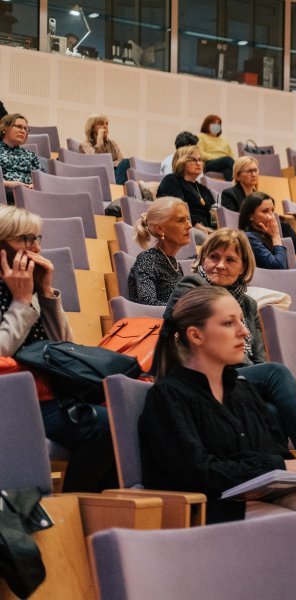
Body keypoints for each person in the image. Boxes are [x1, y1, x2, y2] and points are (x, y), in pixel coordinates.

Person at [140, 286, 296, 600]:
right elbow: (197, 470)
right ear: (196, 335)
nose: (245, 331)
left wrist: (284, 469)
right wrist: (275, 466)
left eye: (242, 321)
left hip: (262, 495)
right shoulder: (168, 396)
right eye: (229, 323)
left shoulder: (242, 391)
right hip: (213, 507)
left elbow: (272, 449)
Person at [155, 229, 296, 461]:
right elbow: (172, 337)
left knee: (271, 409)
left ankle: (274, 473)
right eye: (214, 257)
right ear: (203, 258)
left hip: (237, 376)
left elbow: (258, 358)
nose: (220, 265)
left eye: (230, 260)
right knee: (276, 373)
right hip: (197, 373)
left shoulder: (247, 304)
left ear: (243, 267)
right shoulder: (192, 286)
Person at [0, 204, 116, 492]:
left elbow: (66, 350)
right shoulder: (19, 293)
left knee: (127, 417)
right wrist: (22, 303)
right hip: (13, 399)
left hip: (50, 393)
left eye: (37, 238)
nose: (35, 247)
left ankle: (100, 511)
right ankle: (73, 510)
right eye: (25, 239)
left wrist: (47, 295)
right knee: (107, 426)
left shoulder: (26, 284)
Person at [222, 156, 296, 253]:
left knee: (285, 226)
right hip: (247, 231)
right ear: (238, 176)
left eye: (256, 170)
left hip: (261, 227)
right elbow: (234, 220)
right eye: (249, 171)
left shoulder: (258, 195)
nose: (254, 174)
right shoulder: (229, 194)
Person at [127, 198, 192, 306]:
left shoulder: (175, 265)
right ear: (160, 229)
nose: (189, 225)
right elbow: (148, 303)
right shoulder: (148, 259)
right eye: (180, 220)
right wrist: (185, 312)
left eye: (188, 219)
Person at [238, 192, 296, 270]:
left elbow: (285, 265)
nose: (271, 216)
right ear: (250, 216)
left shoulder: (267, 234)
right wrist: (276, 236)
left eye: (272, 210)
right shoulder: (249, 237)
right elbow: (278, 267)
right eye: (265, 211)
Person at [157, 145, 215, 235]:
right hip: (182, 226)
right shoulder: (172, 180)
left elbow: (213, 215)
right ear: (181, 162)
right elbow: (177, 210)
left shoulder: (203, 189)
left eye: (200, 160)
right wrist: (198, 226)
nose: (198, 163)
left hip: (205, 228)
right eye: (193, 160)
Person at [0, 113, 42, 205]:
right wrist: (8, 184)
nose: (23, 131)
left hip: (31, 193)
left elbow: (42, 177)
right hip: (7, 192)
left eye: (25, 129)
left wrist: (35, 185)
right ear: (4, 129)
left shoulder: (30, 155)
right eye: (19, 127)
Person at [79, 114, 127, 184]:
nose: (105, 127)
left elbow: (121, 161)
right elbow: (96, 162)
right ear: (92, 128)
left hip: (115, 173)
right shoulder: (85, 145)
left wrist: (110, 164)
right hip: (97, 175)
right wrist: (99, 140)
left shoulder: (112, 143)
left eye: (107, 124)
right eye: (101, 124)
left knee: (126, 162)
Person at [197, 114, 235, 181]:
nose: (216, 126)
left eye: (218, 124)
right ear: (207, 125)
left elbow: (232, 155)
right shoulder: (201, 136)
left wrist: (240, 163)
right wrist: (219, 158)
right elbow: (201, 154)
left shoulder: (224, 140)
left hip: (225, 163)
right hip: (208, 163)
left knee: (228, 170)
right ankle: (242, 172)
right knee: (227, 160)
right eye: (214, 123)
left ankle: (232, 190)